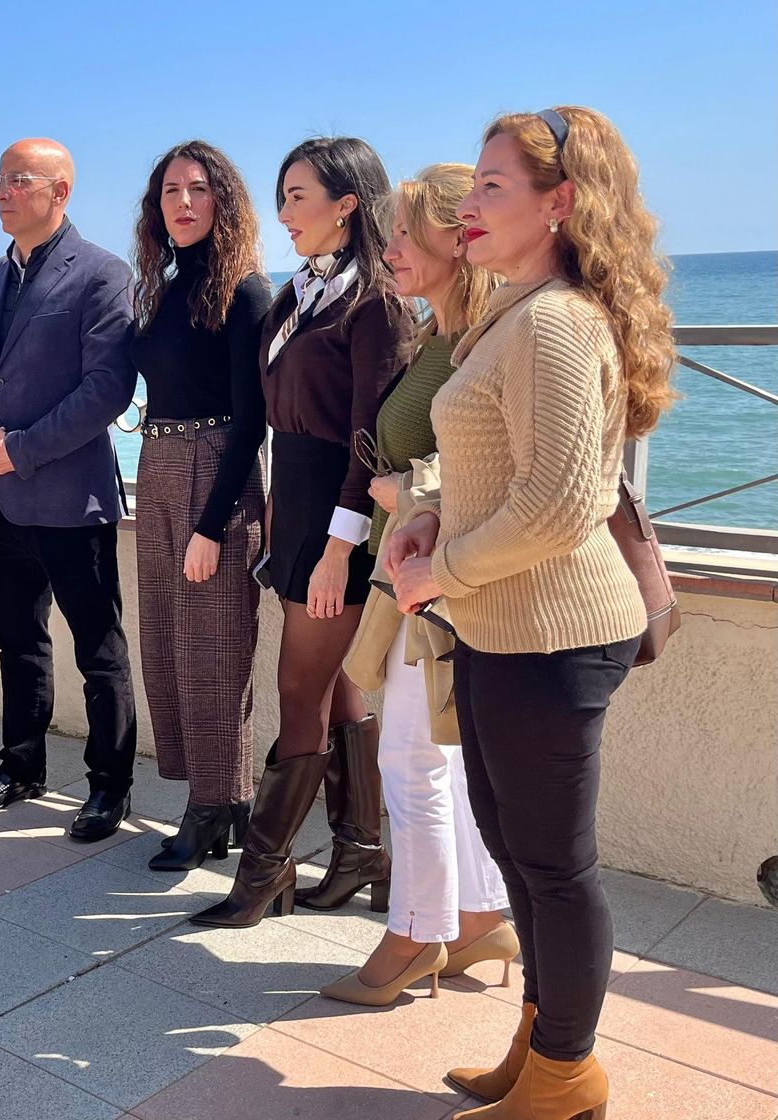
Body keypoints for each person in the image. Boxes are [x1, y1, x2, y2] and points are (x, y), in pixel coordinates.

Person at [387, 107, 673, 1119]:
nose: (469, 203)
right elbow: (497, 465)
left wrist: (438, 570)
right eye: (471, 182)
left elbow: (560, 502)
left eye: (493, 185)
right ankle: (543, 1047)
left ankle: (566, 1072)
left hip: (553, 630)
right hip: (503, 623)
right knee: (516, 847)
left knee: (553, 864)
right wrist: (425, 520)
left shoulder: (553, 321)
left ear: (559, 203)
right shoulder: (519, 307)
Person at [192, 136, 410, 928]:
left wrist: (337, 549)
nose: (283, 213)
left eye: (297, 196)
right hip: (299, 511)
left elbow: (370, 438)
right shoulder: (297, 297)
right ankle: (361, 852)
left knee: (300, 692)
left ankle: (262, 872)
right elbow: (277, 423)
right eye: (282, 196)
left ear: (346, 204)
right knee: (342, 687)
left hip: (338, 524)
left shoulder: (376, 302)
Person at [322, 164, 512, 1007]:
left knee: (410, 757)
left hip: (445, 575)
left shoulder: (481, 337)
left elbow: (497, 451)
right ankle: (476, 919)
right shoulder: (442, 333)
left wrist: (409, 490)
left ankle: (414, 936)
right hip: (421, 571)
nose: (391, 249)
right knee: (439, 754)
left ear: (455, 237)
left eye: (406, 233)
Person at [0, 138, 139, 843]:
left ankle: (107, 786)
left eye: (17, 180)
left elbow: (107, 389)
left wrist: (19, 451)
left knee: (98, 648)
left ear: (60, 191)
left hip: (69, 500)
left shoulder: (101, 274)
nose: (0, 192)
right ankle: (21, 764)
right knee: (16, 643)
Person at [129, 140, 272, 870]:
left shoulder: (244, 289)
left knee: (215, 650)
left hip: (213, 474)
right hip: (155, 466)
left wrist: (213, 525)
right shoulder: (161, 287)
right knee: (166, 645)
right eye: (169, 192)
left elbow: (253, 421)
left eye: (197, 189)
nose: (182, 203)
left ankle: (214, 806)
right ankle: (223, 799)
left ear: (222, 200)